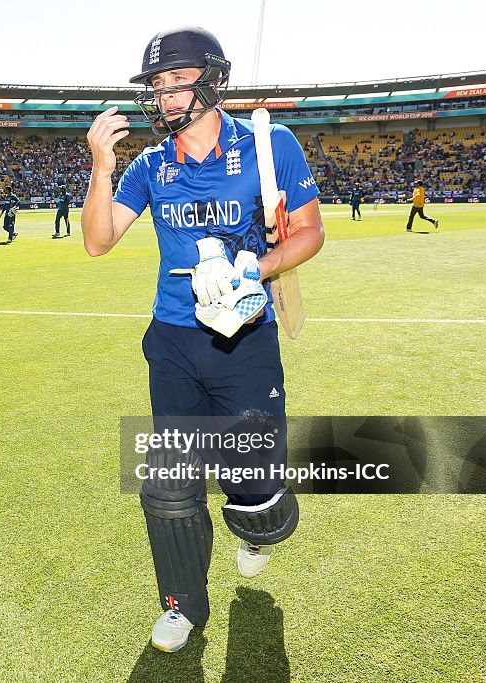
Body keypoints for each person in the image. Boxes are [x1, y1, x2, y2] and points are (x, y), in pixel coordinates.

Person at [83, 26, 324, 653]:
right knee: (171, 482)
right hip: (173, 342)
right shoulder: (150, 165)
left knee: (254, 488)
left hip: (244, 340)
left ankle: (255, 528)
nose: (164, 96)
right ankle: (182, 604)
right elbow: (98, 239)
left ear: (212, 81)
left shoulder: (271, 146)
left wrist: (256, 270)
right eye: (156, 85)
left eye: (176, 81)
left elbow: (308, 234)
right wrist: (101, 169)